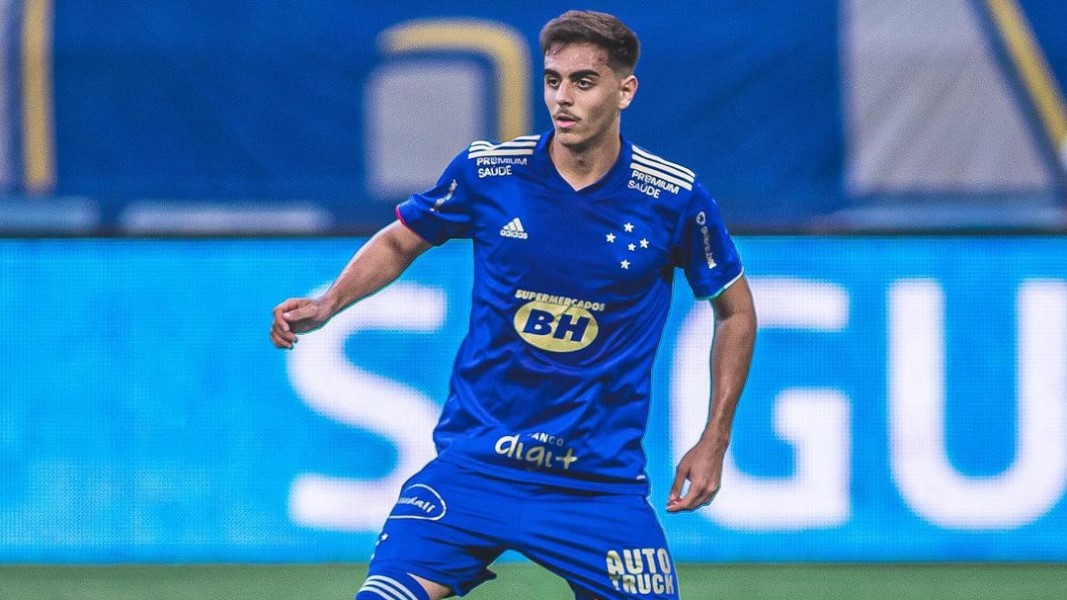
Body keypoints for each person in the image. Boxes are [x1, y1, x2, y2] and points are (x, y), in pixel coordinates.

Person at [270, 10, 756, 600]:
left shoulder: (674, 198)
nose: (562, 98)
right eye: (553, 80)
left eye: (583, 81)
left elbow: (735, 311)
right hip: (474, 471)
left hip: (597, 490)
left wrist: (714, 439)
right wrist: (329, 303)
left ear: (625, 91)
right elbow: (400, 240)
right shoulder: (490, 172)